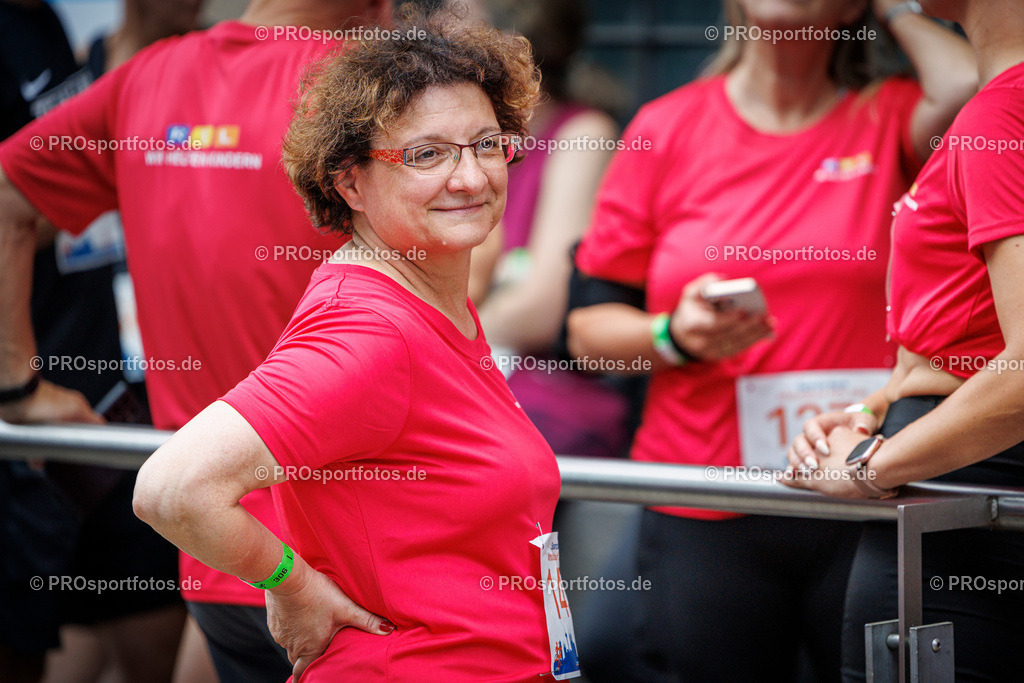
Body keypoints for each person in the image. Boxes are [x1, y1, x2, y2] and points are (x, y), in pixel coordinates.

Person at [134, 8, 578, 682]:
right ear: (350, 182)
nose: (470, 177)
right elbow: (173, 489)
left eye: (487, 144)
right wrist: (292, 585)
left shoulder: (428, 289)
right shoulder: (371, 331)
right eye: (426, 154)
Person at [565, 0, 976, 680]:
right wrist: (675, 335)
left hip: (864, 491)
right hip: (708, 497)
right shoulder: (664, 127)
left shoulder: (892, 116)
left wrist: (891, 5)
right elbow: (586, 332)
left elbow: (967, 85)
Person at [0, 1, 392, 681]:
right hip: (360, 565)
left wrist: (17, 384)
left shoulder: (147, 78)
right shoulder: (378, 90)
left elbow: (7, 195)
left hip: (220, 555)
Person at [783, 1, 1024, 679]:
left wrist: (866, 469)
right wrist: (874, 408)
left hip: (963, 509)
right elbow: (974, 331)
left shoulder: (1003, 113)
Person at [465, 0, 634, 460]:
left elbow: (541, 308)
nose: (429, 25)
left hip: (544, 388)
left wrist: (424, 342)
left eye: (448, 12)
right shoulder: (451, 140)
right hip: (473, 373)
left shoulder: (581, 134)